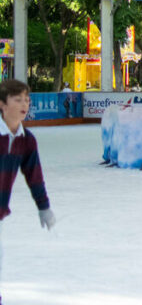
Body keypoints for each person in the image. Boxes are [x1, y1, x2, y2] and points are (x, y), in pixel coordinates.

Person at [0, 79, 56, 297]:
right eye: (17, 99)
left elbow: (34, 177)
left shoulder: (27, 140)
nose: (24, 104)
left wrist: (44, 207)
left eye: (27, 99)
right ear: (2, 105)